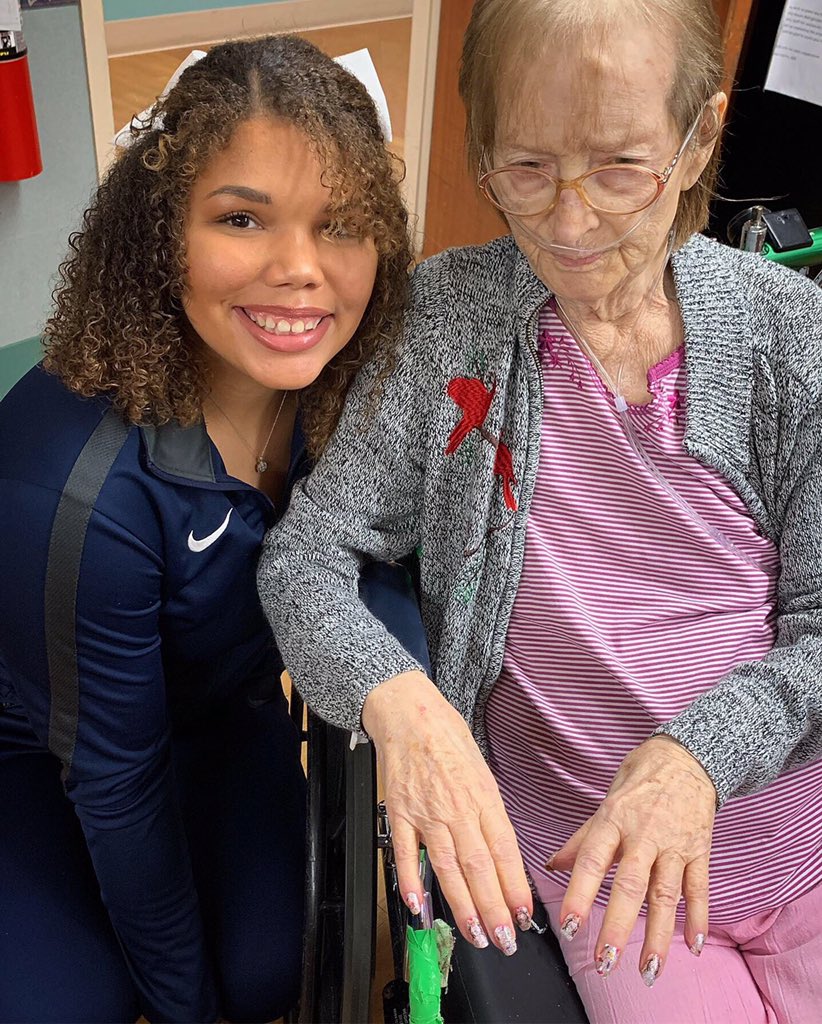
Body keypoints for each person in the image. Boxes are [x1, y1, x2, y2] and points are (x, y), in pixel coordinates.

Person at [257, 1, 822, 1021]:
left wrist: (702, 750)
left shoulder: (793, 336)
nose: (566, 223)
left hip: (802, 835)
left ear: (698, 139)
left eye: (618, 167)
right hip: (598, 867)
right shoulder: (447, 324)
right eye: (525, 167)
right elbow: (306, 558)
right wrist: (402, 700)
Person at [0, 35, 413, 1023]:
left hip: (217, 716)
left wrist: (412, 704)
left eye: (342, 224)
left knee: (273, 966)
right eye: (241, 218)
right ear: (160, 234)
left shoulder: (349, 392)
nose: (300, 270)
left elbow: (390, 561)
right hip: (48, 754)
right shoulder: (75, 483)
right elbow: (115, 783)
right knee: (73, 1003)